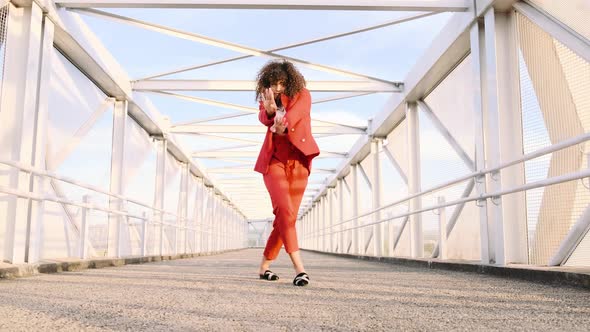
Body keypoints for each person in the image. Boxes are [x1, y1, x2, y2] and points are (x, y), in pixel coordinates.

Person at [254, 59, 320, 286]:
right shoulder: (268, 99)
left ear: (289, 81)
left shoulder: (303, 95)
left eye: (281, 83)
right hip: (273, 161)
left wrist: (282, 121)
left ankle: (264, 267)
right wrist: (270, 113)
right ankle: (300, 269)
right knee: (285, 211)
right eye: (273, 84)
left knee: (284, 218)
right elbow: (263, 117)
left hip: (298, 161)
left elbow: (297, 114)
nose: (278, 88)